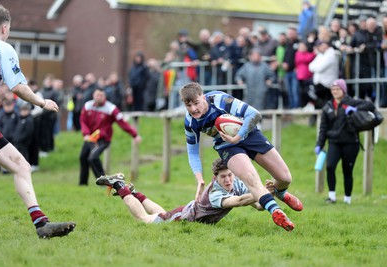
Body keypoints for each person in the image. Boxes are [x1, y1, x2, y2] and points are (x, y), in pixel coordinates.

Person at [0, 4, 75, 238]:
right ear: (4, 28)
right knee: (20, 166)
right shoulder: (2, 48)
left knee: (21, 165)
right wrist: (42, 102)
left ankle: (41, 224)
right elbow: (18, 86)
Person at [179, 82, 303, 231]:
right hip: (226, 145)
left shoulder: (219, 100)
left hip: (248, 134)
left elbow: (254, 114)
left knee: (284, 177)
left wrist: (237, 137)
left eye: (196, 103)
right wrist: (199, 179)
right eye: (188, 106)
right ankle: (277, 212)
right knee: (251, 178)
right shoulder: (190, 121)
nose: (193, 109)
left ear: (203, 97)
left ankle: (281, 194)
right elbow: (192, 152)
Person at [96, 158, 273, 224]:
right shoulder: (216, 192)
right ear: (215, 178)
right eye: (223, 177)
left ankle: (132, 192)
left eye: (229, 175)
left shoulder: (236, 184)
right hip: (185, 218)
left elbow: (257, 205)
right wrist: (262, 191)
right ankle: (119, 185)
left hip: (187, 211)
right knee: (144, 220)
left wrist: (267, 196)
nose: (227, 180)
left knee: (162, 214)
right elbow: (241, 201)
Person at [314, 79, 375, 204]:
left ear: (343, 90)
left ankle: (348, 198)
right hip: (334, 142)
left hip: (351, 142)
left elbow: (370, 105)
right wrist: (319, 144)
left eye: (338, 89)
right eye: (333, 89)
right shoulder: (328, 107)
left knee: (347, 170)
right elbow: (323, 128)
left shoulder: (351, 102)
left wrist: (355, 109)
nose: (335, 91)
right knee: (330, 167)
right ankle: (332, 196)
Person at [79, 87, 142, 186]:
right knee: (83, 157)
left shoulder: (111, 108)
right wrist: (86, 134)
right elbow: (83, 121)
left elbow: (122, 123)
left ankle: (105, 183)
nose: (99, 97)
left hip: (103, 139)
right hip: (90, 138)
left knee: (93, 158)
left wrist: (134, 134)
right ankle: (82, 184)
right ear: (93, 96)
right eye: (97, 95)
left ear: (105, 96)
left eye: (101, 95)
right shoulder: (88, 106)